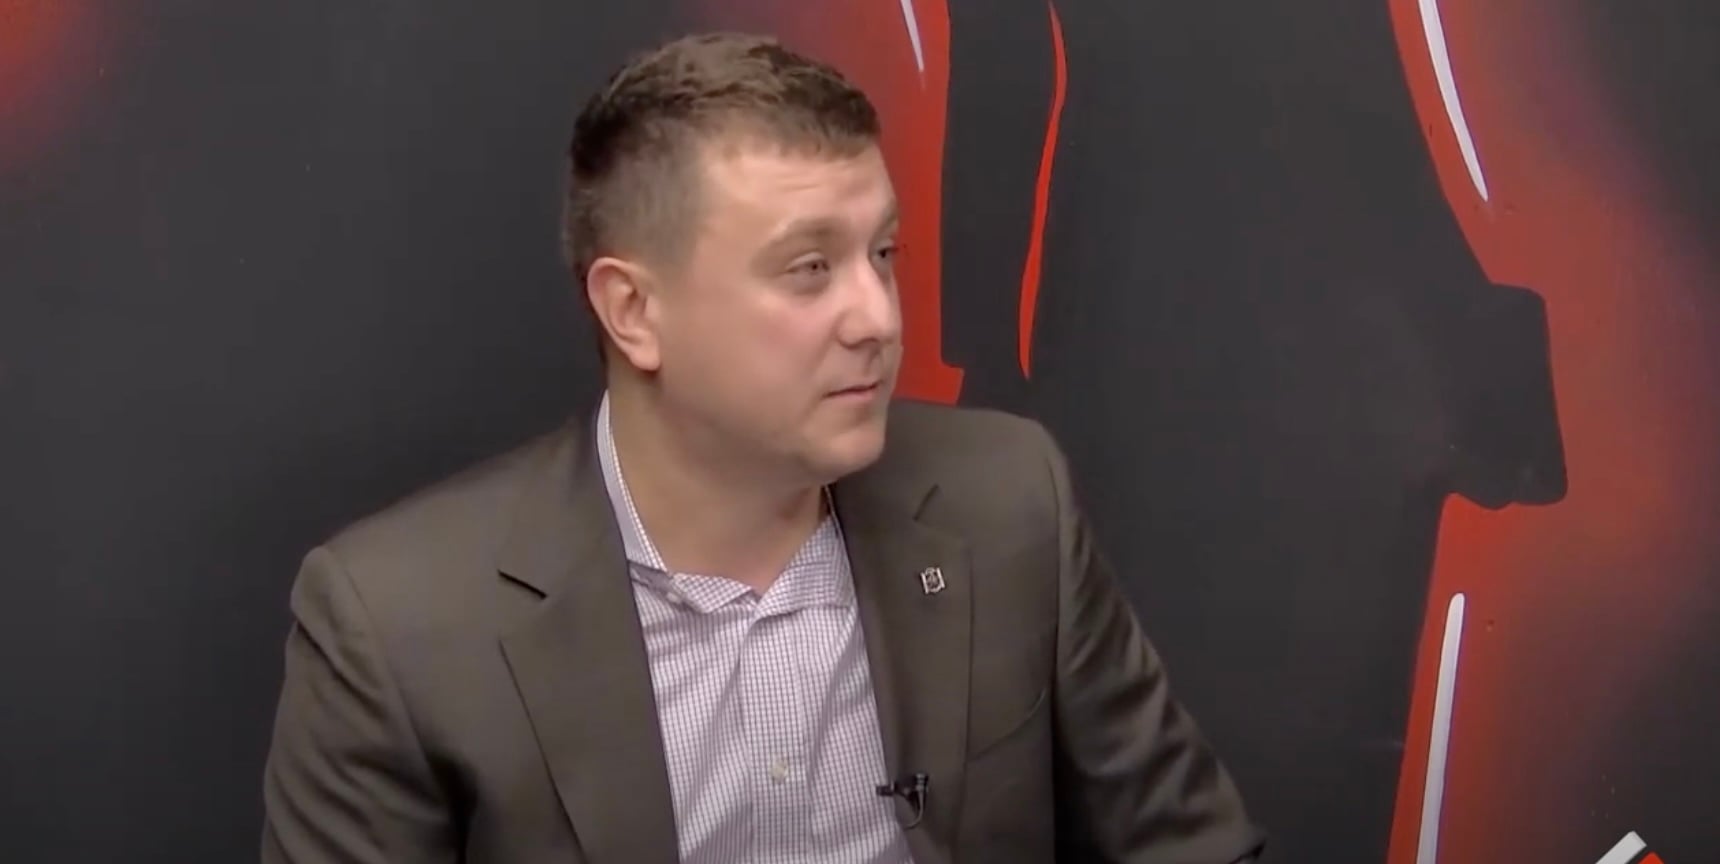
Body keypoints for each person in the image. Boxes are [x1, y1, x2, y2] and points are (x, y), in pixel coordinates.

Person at [260, 31, 1264, 864]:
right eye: (808, 268)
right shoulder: (399, 629)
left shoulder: (1008, 504)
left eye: (882, 253)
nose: (878, 318)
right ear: (633, 311)